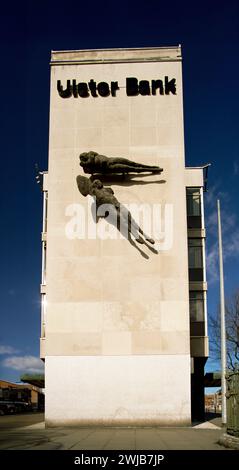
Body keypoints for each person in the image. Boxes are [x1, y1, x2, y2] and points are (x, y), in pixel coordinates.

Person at [79, 151, 163, 174]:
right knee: (132, 169)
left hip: (111, 160)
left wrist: (90, 158)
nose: (86, 154)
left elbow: (93, 154)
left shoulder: (90, 154)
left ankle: (152, 167)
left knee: (132, 163)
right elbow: (89, 163)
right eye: (84, 156)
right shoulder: (86, 164)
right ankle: (152, 170)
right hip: (109, 167)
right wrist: (84, 163)